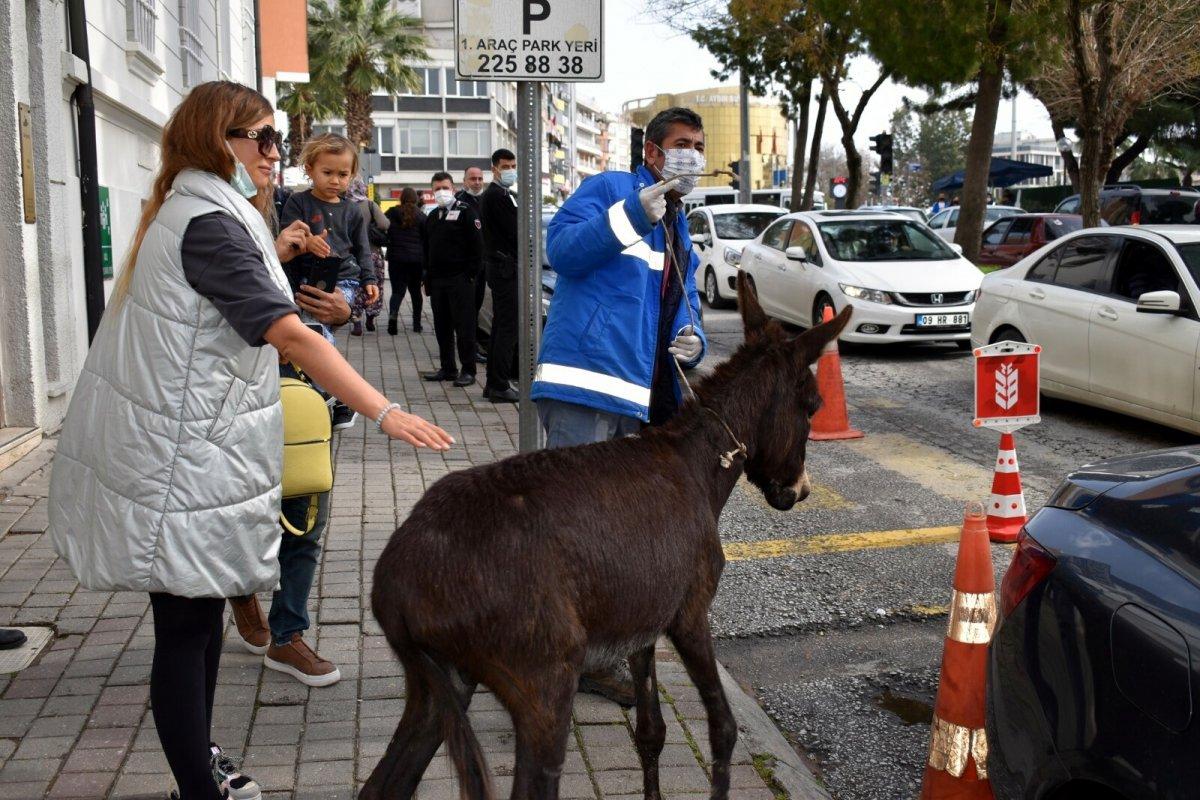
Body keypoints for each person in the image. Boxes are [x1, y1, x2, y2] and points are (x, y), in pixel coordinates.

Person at [46, 81, 453, 800]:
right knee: (184, 627)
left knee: (197, 618)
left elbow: (234, 309)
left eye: (277, 136)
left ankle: (196, 762)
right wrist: (385, 411)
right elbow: (287, 333)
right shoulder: (206, 219)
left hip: (187, 447)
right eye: (260, 137)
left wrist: (294, 264)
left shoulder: (205, 209)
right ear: (217, 141)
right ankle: (196, 787)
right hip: (178, 457)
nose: (275, 152)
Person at [532, 107, 707, 705]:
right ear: (653, 153)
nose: (693, 156)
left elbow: (682, 297)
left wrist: (693, 336)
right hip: (582, 381)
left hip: (637, 395)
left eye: (699, 146)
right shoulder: (607, 189)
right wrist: (633, 212)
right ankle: (544, 664)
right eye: (682, 144)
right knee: (570, 534)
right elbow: (563, 250)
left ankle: (585, 662)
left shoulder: (681, 222)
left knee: (607, 537)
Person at [281, 134, 378, 429]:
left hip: (344, 282)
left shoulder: (353, 210)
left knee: (318, 333)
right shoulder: (297, 202)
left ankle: (335, 394)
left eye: (342, 174)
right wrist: (307, 242)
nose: (335, 180)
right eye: (328, 172)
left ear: (352, 175)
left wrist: (370, 279)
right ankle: (336, 395)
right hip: (306, 282)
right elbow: (288, 236)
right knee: (313, 335)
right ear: (309, 168)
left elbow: (363, 249)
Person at [421, 171, 483, 388]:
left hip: (461, 280)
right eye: (437, 189)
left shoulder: (466, 212)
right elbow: (427, 250)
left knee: (464, 326)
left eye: (445, 188)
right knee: (442, 326)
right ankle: (448, 368)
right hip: (438, 281)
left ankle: (468, 370)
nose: (441, 192)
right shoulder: (431, 217)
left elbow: (477, 247)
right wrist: (427, 278)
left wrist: (470, 275)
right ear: (432, 191)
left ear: (453, 189)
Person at [479, 149, 520, 403]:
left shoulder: (501, 194)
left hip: (501, 268)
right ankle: (499, 383)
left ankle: (495, 382)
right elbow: (515, 232)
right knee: (507, 328)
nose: (510, 170)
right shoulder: (497, 196)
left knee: (500, 327)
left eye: (513, 165)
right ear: (494, 168)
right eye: (505, 166)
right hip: (504, 269)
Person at [347, 177, 389, 335]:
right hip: (372, 252)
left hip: (351, 255)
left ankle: (356, 319)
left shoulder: (344, 205)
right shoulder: (370, 204)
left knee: (355, 286)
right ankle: (370, 317)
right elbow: (385, 224)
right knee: (374, 285)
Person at [457, 166, 489, 364]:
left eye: (479, 178)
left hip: (483, 262)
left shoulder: (486, 201)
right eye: (473, 179)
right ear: (465, 181)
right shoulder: (459, 202)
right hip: (465, 265)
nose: (477, 182)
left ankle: (474, 344)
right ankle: (469, 349)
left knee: (476, 308)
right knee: (467, 311)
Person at [384, 187, 426, 334]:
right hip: (416, 260)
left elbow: (381, 228)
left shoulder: (391, 213)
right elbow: (426, 240)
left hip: (396, 259)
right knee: (416, 293)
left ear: (401, 198)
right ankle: (416, 324)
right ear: (416, 199)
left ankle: (392, 321)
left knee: (397, 292)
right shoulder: (421, 216)